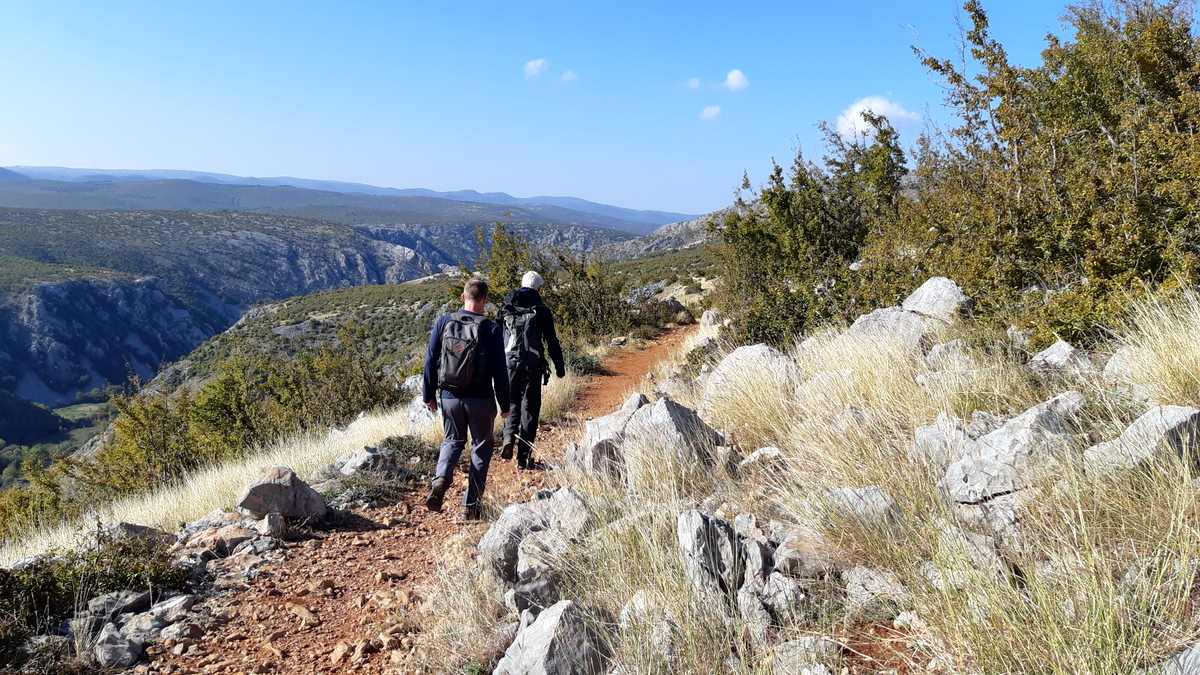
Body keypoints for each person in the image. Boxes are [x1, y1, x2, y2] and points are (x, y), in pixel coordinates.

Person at [423, 278, 510, 520]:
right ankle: (470, 506)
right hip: (481, 400)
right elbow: (500, 371)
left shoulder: (444, 322)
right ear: (485, 300)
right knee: (481, 448)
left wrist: (428, 395)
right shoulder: (491, 328)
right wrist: (505, 405)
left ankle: (441, 479)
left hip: (450, 397)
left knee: (452, 440)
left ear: (463, 296)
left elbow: (430, 360)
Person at [497, 270, 565, 470]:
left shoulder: (506, 307)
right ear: (539, 288)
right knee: (531, 410)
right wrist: (559, 366)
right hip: (532, 366)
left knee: (512, 403)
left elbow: (497, 337)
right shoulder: (541, 310)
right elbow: (551, 341)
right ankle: (524, 458)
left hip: (509, 364)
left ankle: (508, 436)